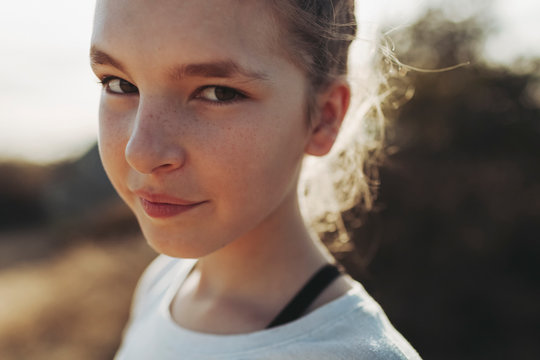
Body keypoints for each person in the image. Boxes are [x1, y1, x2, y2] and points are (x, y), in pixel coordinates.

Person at [90, 0, 421, 358]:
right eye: (119, 84)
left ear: (324, 116)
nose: (140, 153)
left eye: (218, 92)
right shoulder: (163, 284)